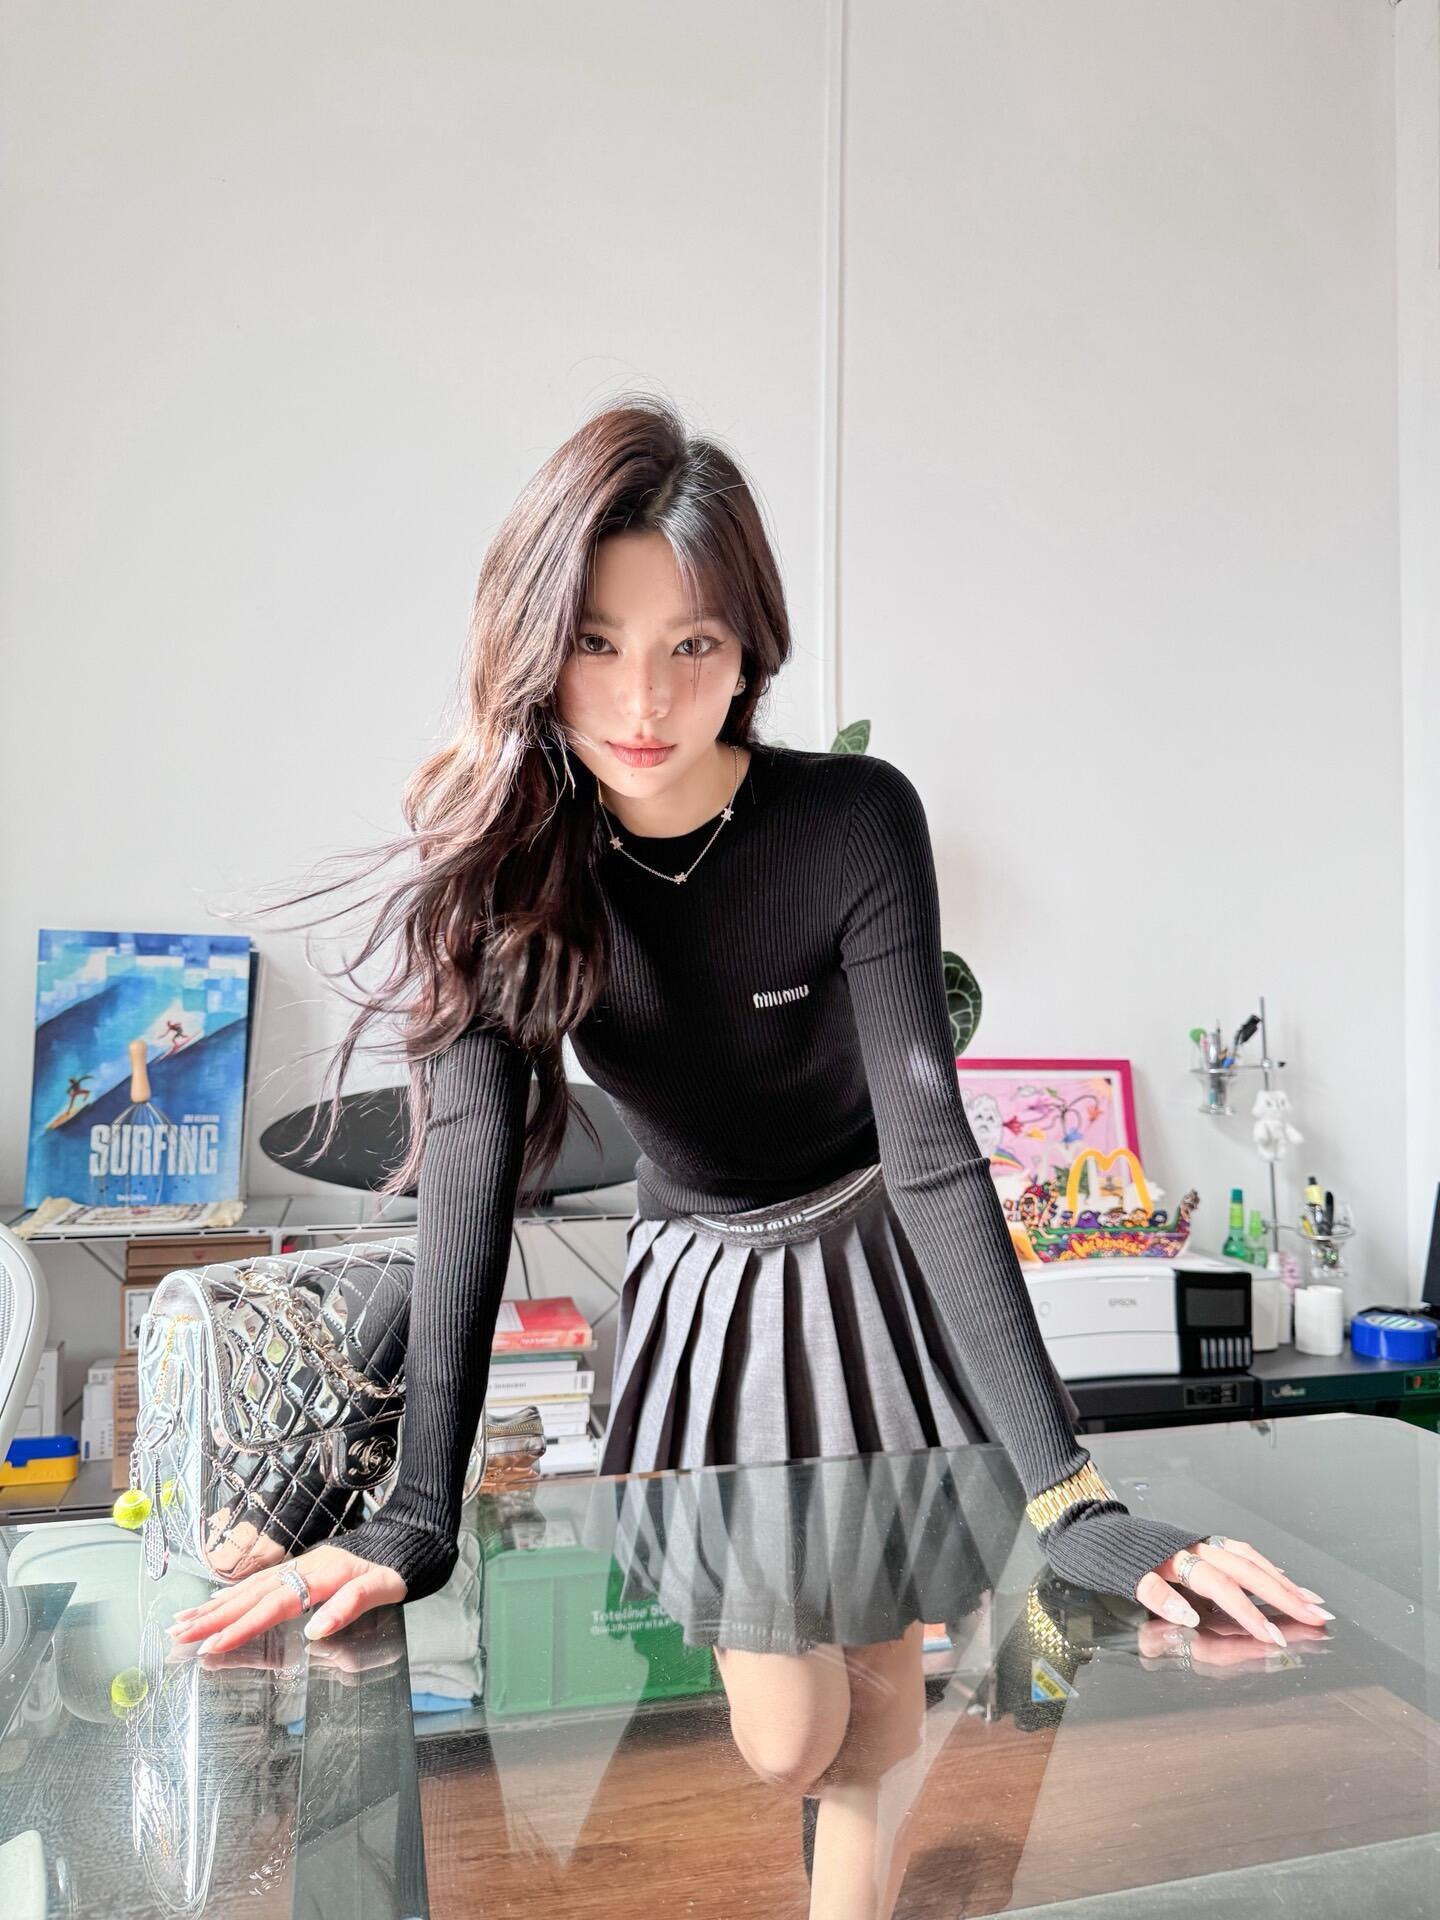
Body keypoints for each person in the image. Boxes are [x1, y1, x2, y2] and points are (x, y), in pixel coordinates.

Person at [168, 396, 1331, 1667]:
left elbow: (930, 1150)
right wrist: (416, 1516)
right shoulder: (502, 873)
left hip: (882, 1253)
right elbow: (467, 1189)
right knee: (785, 1730)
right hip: (707, 1275)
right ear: (533, 645)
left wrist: (1077, 1502)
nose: (644, 700)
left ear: (749, 652)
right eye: (596, 643)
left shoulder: (853, 822)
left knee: (885, 1663)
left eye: (693, 644)